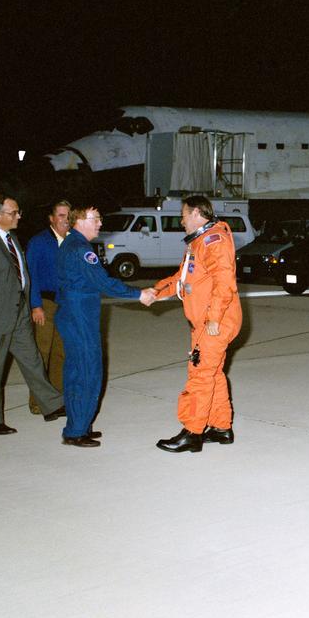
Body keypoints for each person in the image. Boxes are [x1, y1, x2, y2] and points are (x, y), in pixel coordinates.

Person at [0, 194, 66, 434]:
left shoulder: (11, 238)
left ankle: (51, 405)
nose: (19, 216)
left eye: (18, 212)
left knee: (33, 360)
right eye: (14, 212)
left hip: (18, 314)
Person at [55, 205, 155, 447]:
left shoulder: (71, 244)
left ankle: (79, 424)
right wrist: (138, 294)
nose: (100, 223)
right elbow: (103, 283)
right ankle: (76, 431)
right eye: (96, 219)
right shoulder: (80, 248)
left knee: (76, 371)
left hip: (73, 313)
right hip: (80, 316)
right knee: (88, 372)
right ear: (79, 220)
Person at [151, 194, 243, 454]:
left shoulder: (214, 240)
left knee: (200, 376)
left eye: (183, 215)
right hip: (205, 321)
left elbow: (225, 283)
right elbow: (182, 279)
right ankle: (221, 428)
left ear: (195, 213)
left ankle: (192, 433)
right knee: (212, 374)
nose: (181, 220)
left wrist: (213, 319)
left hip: (215, 322)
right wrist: (153, 292)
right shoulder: (199, 242)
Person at [25, 199, 70, 414]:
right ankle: (37, 402)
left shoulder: (73, 241)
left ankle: (57, 400)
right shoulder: (38, 242)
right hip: (45, 304)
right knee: (42, 353)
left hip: (67, 305)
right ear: (51, 218)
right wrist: (35, 306)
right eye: (60, 215)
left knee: (61, 354)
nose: (65, 220)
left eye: (68, 216)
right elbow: (30, 276)